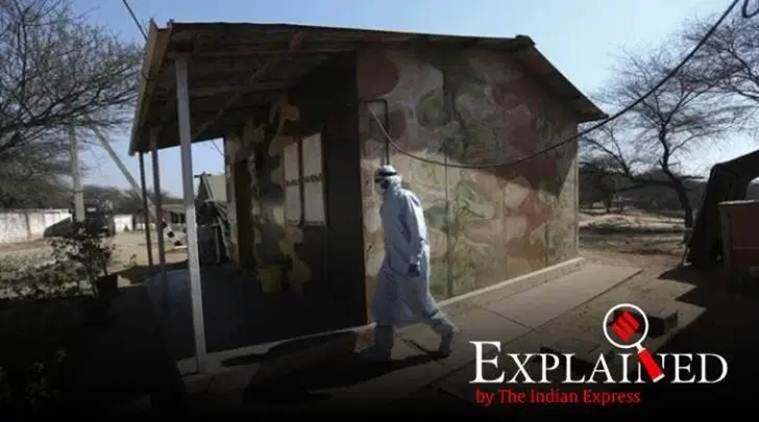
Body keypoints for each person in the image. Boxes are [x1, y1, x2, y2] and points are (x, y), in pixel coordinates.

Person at [360, 165, 459, 361]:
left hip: (410, 264)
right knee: (383, 304)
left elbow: (418, 231)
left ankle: (447, 331)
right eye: (376, 180)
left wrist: (414, 260)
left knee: (421, 306)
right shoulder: (385, 204)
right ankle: (382, 348)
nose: (378, 185)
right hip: (391, 263)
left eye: (380, 180)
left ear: (390, 180)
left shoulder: (405, 198)